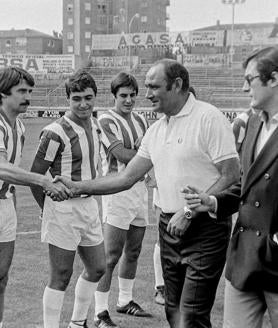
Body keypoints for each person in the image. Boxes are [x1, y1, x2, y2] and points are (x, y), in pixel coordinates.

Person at [55, 59, 240, 328]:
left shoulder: (208, 117)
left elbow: (231, 174)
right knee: (174, 312)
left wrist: (189, 211)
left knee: (192, 314)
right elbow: (126, 177)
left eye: (154, 87)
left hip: (204, 228)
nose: (148, 94)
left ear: (177, 85)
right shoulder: (157, 129)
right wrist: (78, 186)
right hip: (169, 228)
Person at [180, 46, 278, 328]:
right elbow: (248, 184)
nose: (244, 87)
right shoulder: (255, 124)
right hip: (245, 258)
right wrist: (213, 201)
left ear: (273, 79)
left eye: (250, 80)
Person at [30, 69, 106, 328]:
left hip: (89, 205)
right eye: (76, 98)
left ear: (95, 96)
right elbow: (36, 176)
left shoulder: (95, 124)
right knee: (61, 275)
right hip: (63, 209)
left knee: (98, 268)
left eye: (88, 97)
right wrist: (46, 208)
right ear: (67, 99)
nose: (83, 104)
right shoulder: (54, 132)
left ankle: (77, 322)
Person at [0, 66, 71, 328]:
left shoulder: (18, 125)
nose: (27, 96)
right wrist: (42, 180)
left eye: (29, 91)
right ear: (3, 93)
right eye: (21, 91)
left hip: (5, 204)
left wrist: (12, 206)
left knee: (2, 276)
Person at [94, 72, 151, 328]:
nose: (128, 100)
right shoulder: (106, 119)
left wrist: (146, 151)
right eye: (123, 96)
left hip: (139, 190)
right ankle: (100, 311)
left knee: (134, 250)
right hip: (117, 191)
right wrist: (145, 151)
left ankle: (125, 300)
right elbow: (122, 154)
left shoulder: (140, 119)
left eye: (132, 95)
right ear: (114, 96)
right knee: (111, 254)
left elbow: (150, 151)